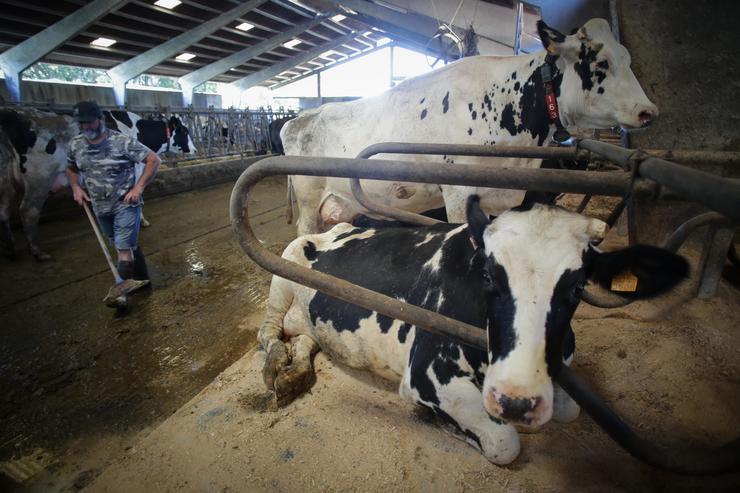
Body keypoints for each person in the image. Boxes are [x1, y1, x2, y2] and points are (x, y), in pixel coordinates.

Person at [66, 101, 161, 308]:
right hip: (99, 206)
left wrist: (138, 188)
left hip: (125, 204)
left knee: (123, 248)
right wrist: (76, 187)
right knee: (126, 245)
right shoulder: (76, 145)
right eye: (82, 124)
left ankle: (120, 295)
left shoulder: (121, 142)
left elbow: (153, 160)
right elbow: (71, 168)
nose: (86, 127)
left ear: (100, 119)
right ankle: (142, 281)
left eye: (89, 122)